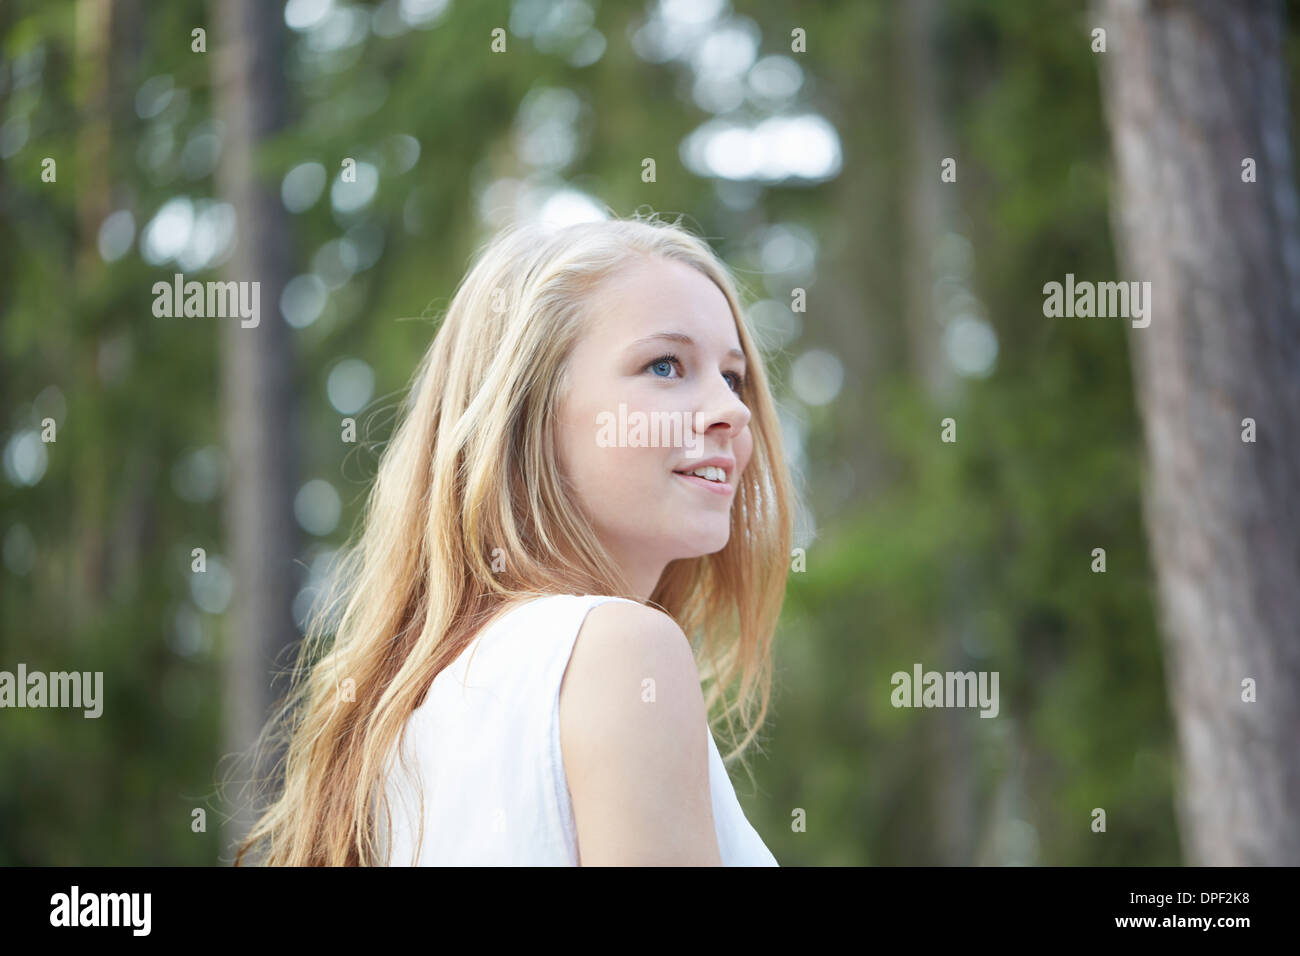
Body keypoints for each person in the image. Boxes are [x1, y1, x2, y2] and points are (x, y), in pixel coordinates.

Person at [234, 212, 795, 866]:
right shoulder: (625, 651)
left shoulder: (396, 726)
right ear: (527, 412)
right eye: (666, 365)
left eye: (733, 377)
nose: (732, 410)